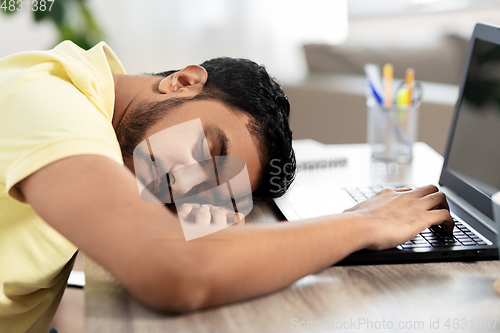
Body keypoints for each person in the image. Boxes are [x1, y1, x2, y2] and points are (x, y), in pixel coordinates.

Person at [0, 41, 454, 333]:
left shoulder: (107, 124)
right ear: (183, 82)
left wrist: (214, 208)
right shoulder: (52, 102)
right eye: (211, 151)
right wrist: (363, 223)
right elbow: (176, 270)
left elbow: (189, 227)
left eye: (216, 185)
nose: (185, 187)